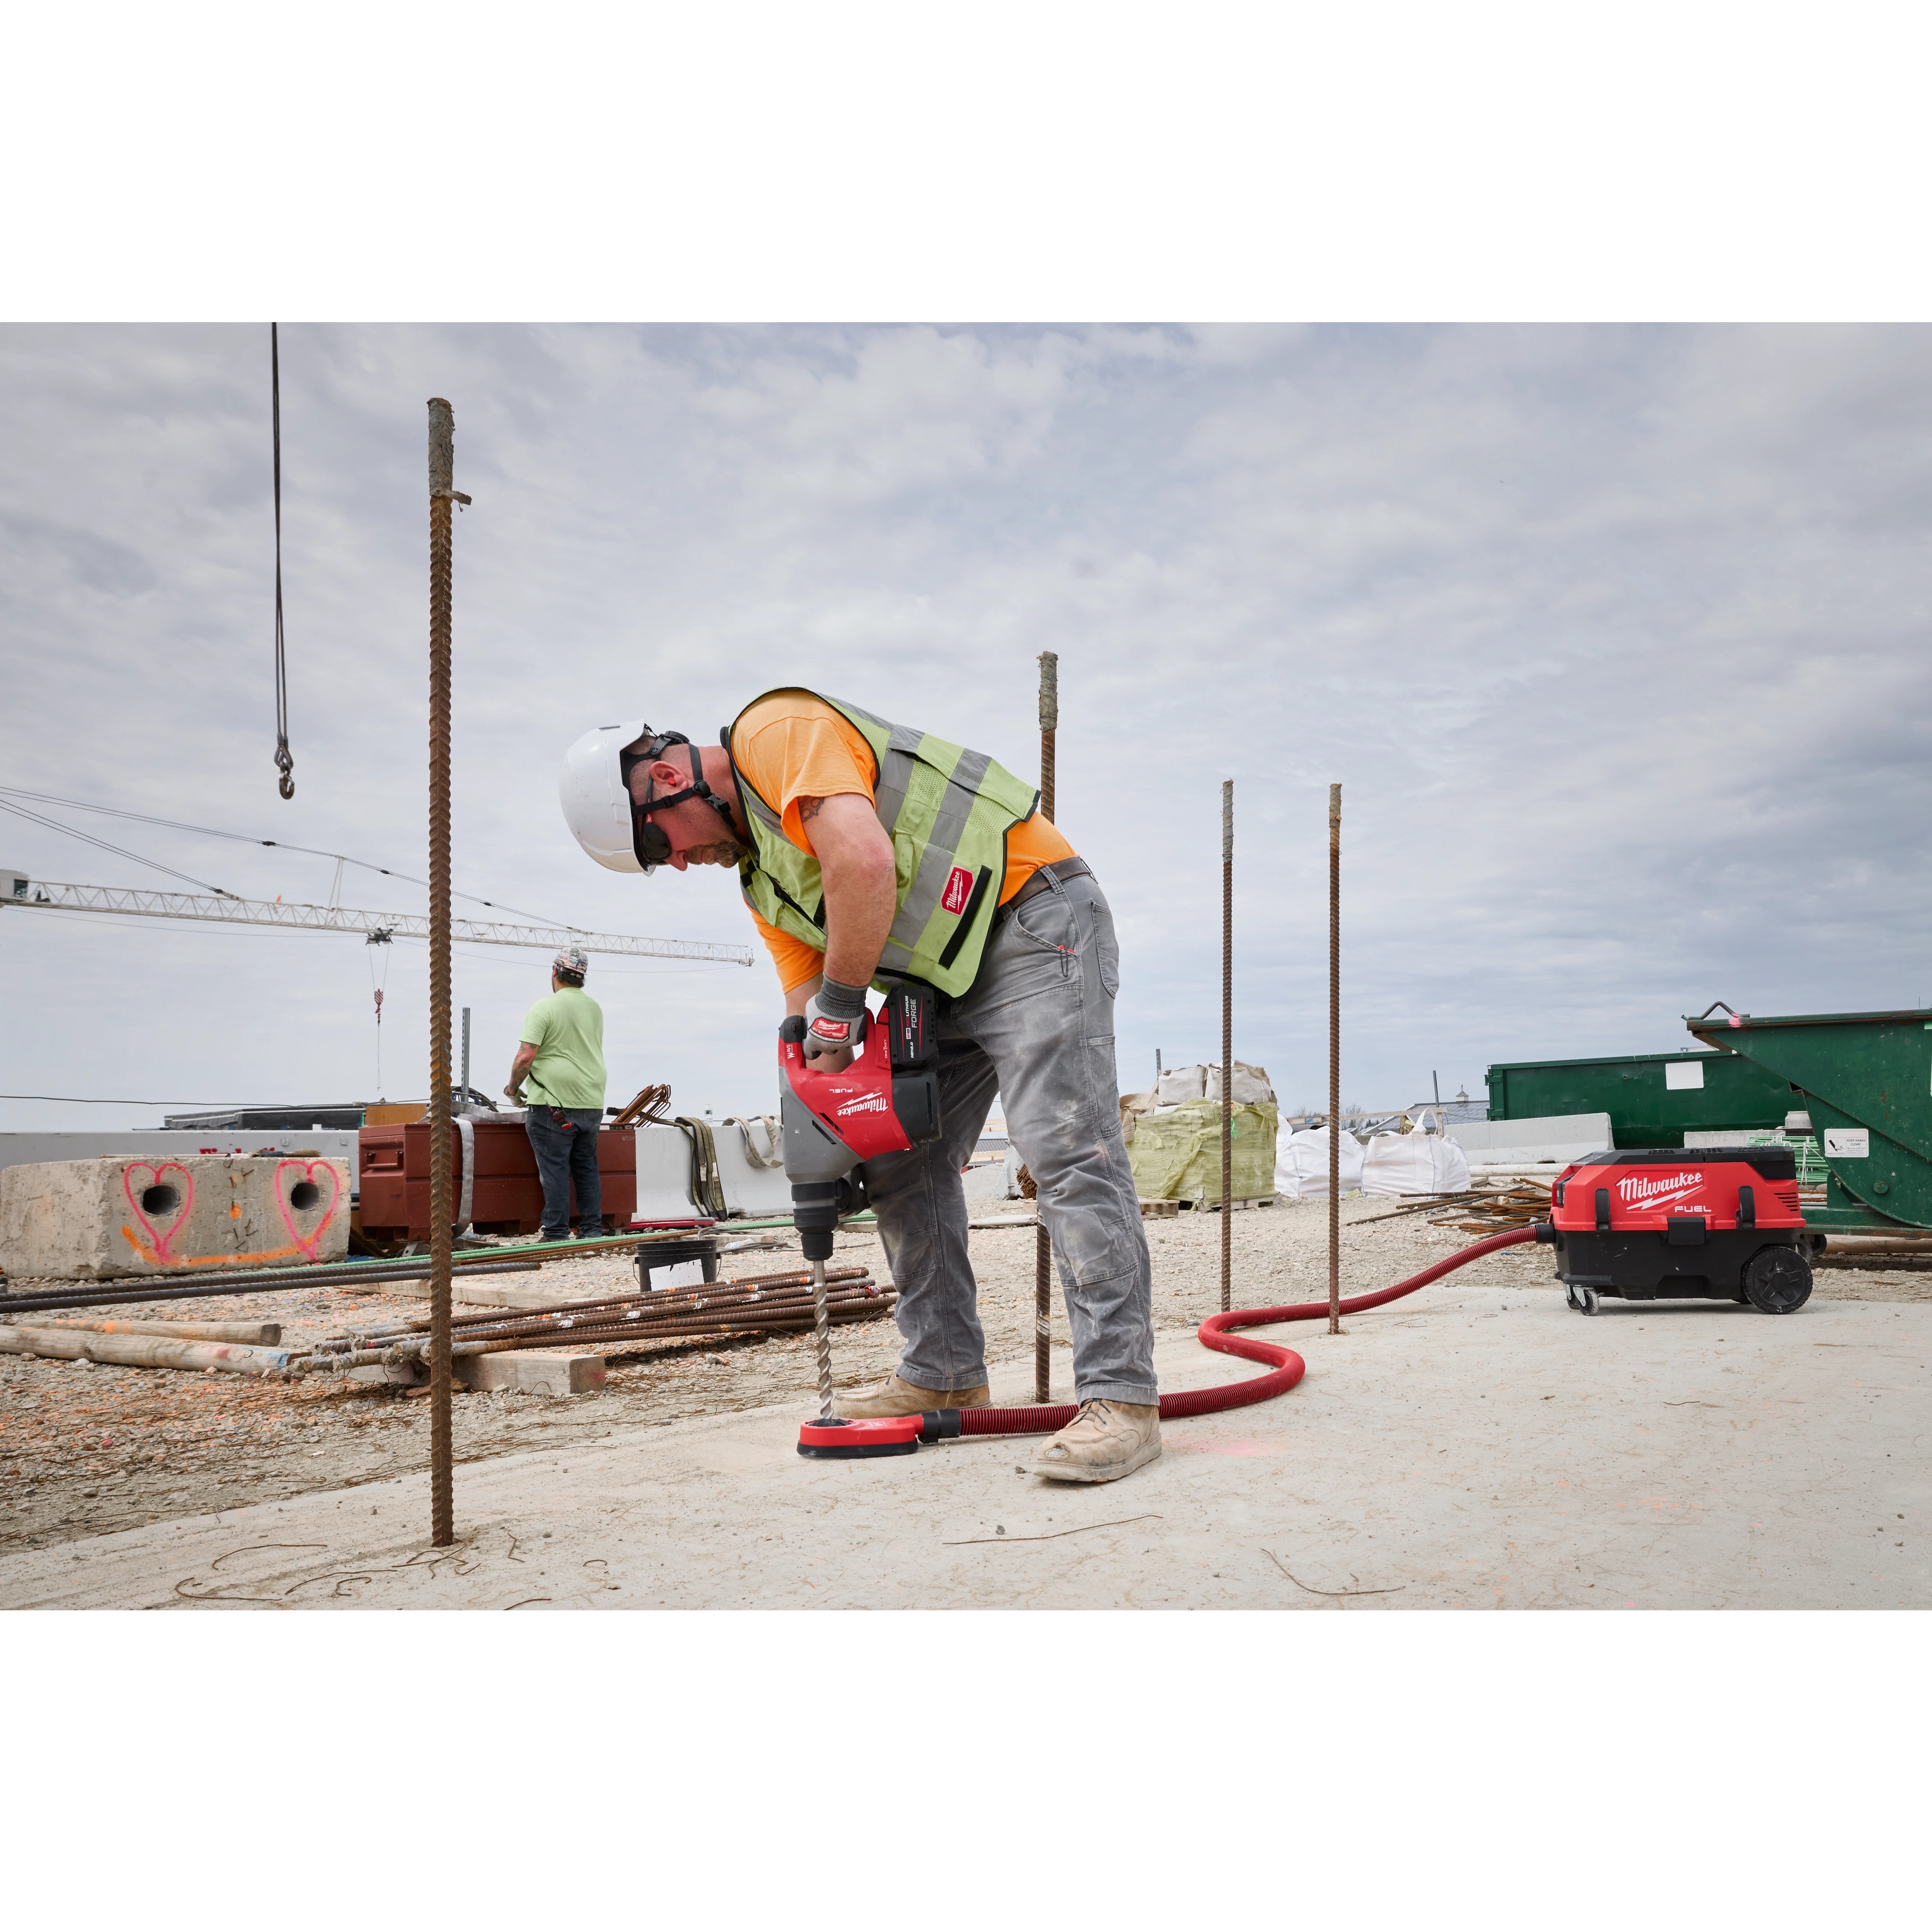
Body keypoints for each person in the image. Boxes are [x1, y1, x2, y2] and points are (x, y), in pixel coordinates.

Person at [558, 691, 1158, 1483]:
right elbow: (814, 1038)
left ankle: (1122, 1396)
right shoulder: (763, 887)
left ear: (667, 777)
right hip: (948, 979)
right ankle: (943, 1370)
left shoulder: (776, 732)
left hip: (1032, 918)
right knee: (899, 1160)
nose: (673, 862)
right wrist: (828, 1149)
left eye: (655, 841)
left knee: (1065, 1148)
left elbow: (863, 861)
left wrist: (841, 1015)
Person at [506, 946, 608, 1242]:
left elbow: (526, 1057)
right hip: (591, 1099)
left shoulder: (544, 1008)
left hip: (553, 1103)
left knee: (555, 1168)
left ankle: (556, 1232)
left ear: (555, 973)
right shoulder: (594, 1008)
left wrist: (513, 1090)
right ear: (582, 979)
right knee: (586, 1166)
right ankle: (591, 1230)